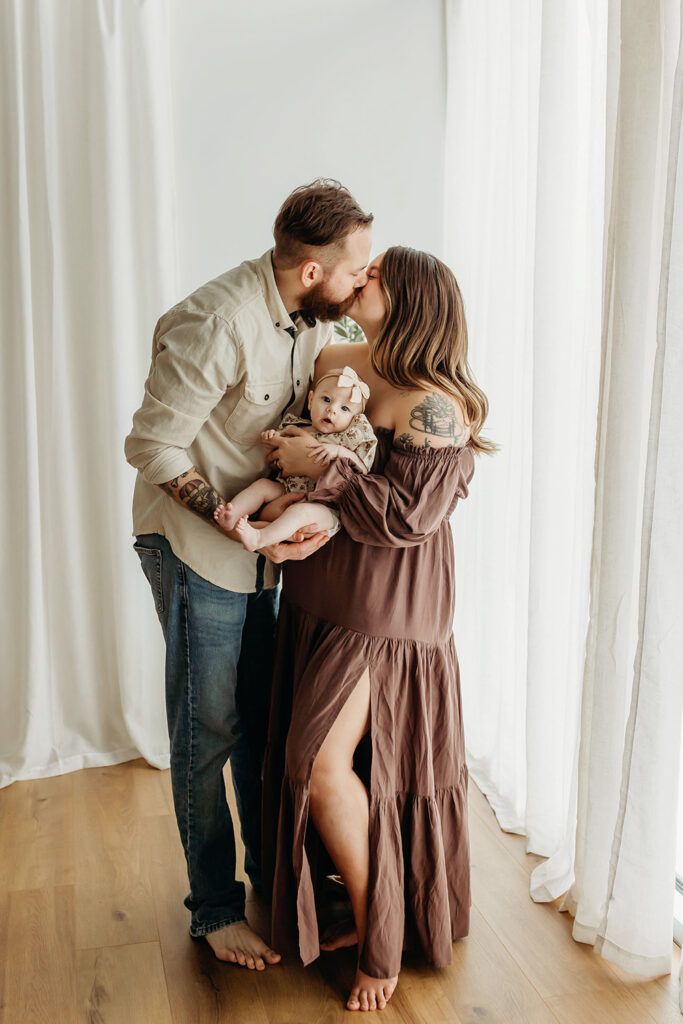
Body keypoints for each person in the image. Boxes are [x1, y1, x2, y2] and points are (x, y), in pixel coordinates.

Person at [124, 179, 373, 969]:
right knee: (208, 732)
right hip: (199, 550)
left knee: (264, 724)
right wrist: (235, 523)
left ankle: (277, 878)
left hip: (262, 555)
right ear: (310, 272)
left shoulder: (310, 320)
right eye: (355, 267)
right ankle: (215, 908)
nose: (361, 281)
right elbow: (151, 447)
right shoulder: (219, 321)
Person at [261, 246, 494, 1011]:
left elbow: (409, 517)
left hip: (381, 611)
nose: (361, 279)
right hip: (319, 593)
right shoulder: (346, 356)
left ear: (411, 300)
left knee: (320, 764)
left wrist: (320, 471)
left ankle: (379, 934)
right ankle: (341, 911)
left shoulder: (433, 401)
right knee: (333, 765)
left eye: (377, 274)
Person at [213, 366, 377, 551]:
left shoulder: (345, 442)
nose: (332, 410)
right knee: (262, 486)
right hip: (287, 489)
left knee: (300, 512)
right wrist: (270, 443)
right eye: (326, 399)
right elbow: (274, 463)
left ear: (354, 420)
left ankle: (259, 538)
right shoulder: (297, 428)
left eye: (344, 408)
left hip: (325, 507)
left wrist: (338, 451)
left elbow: (362, 470)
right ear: (310, 401)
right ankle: (232, 514)